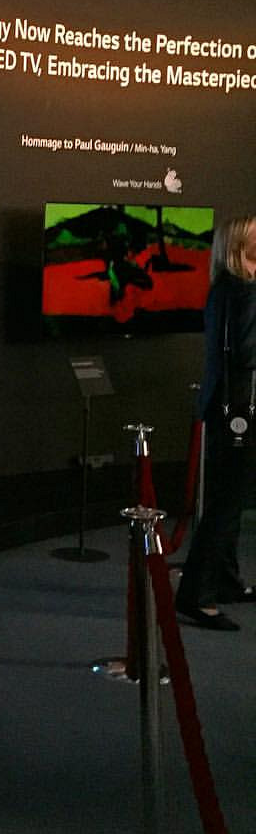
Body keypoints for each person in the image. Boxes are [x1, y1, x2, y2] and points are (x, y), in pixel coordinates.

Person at [176, 214, 256, 630]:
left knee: (231, 499)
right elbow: (247, 352)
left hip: (228, 406)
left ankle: (224, 580)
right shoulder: (243, 291)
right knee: (226, 502)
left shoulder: (226, 288)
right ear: (242, 244)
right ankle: (196, 595)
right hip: (240, 408)